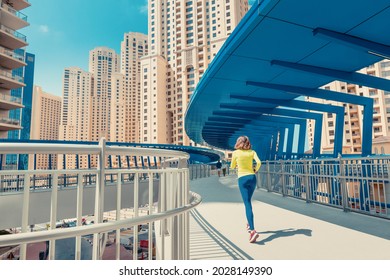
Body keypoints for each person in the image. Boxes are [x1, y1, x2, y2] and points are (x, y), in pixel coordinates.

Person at [230, 136, 261, 243]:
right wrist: (255, 170)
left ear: (238, 143)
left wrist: (237, 165)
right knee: (248, 202)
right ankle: (249, 222)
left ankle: (253, 231)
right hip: (252, 178)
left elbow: (232, 166)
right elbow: (259, 163)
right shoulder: (252, 152)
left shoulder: (235, 153)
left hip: (242, 178)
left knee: (247, 204)